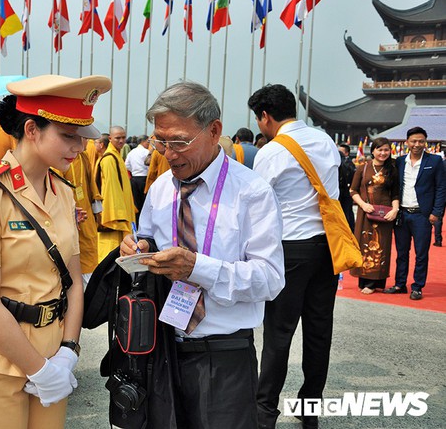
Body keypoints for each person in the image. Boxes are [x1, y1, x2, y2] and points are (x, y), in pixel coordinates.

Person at [0, 74, 111, 429]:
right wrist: (38, 369)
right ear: (32, 129)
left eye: (82, 136)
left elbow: (71, 282)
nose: (79, 147)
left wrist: (69, 350)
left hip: (54, 354)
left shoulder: (63, 191)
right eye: (68, 136)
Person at [121, 81, 284, 428]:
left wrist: (198, 268)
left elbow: (270, 279)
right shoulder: (160, 189)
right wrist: (138, 249)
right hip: (162, 349)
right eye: (160, 141)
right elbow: (146, 237)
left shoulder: (252, 192)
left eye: (179, 141)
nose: (168, 153)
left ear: (214, 131)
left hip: (224, 355)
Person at [250, 84, 341, 429]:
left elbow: (257, 204)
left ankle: (265, 412)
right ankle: (309, 410)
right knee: (319, 332)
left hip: (290, 249)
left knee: (279, 334)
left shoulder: (272, 152)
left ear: (265, 116)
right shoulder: (326, 141)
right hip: (327, 247)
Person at [385, 127, 446, 301]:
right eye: (413, 141)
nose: (417, 144)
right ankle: (400, 284)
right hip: (402, 214)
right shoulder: (400, 161)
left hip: (422, 215)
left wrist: (436, 212)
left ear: (425, 142)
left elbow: (441, 187)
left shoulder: (435, 161)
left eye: (420, 141)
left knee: (421, 253)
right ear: (407, 143)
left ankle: (418, 287)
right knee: (401, 252)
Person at [349, 137, 400, 294]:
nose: (383, 153)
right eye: (380, 149)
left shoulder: (392, 169)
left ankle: (373, 283)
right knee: (364, 244)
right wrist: (363, 205)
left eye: (386, 150)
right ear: (373, 151)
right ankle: (363, 280)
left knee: (380, 246)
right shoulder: (362, 168)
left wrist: (395, 210)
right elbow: (353, 190)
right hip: (366, 214)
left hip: (385, 215)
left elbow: (395, 193)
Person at [62, 137, 103, 286]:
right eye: (84, 138)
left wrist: (97, 210)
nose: (87, 143)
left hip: (86, 217)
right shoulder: (60, 159)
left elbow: (90, 184)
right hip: (67, 219)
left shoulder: (83, 156)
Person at [96, 126, 136, 261]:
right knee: (109, 252)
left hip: (121, 211)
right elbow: (111, 191)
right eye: (117, 138)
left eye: (123, 137)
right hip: (114, 216)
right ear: (110, 138)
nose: (121, 140)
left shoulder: (116, 156)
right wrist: (118, 216)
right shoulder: (109, 159)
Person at [124, 135, 150, 217]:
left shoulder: (132, 152)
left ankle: (136, 221)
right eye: (148, 142)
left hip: (134, 178)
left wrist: (134, 170)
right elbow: (150, 165)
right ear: (143, 142)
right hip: (144, 178)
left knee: (136, 202)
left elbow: (126, 165)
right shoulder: (146, 152)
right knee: (144, 202)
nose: (148, 144)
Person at [338, 143, 357, 231]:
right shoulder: (341, 162)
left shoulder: (348, 164)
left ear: (346, 153)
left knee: (347, 213)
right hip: (344, 192)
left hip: (346, 192)